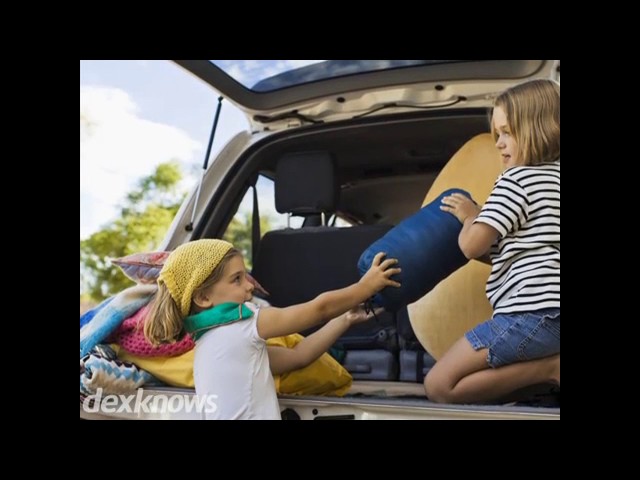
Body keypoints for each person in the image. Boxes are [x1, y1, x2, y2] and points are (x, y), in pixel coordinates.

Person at [144, 238, 400, 419]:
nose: (249, 286)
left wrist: (345, 319)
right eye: (237, 279)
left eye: (246, 276)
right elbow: (317, 309)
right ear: (202, 298)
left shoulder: (210, 342)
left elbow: (299, 356)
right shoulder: (242, 322)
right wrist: (366, 287)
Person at [426, 79, 560, 404]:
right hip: (553, 317)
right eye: (496, 134)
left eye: (507, 132)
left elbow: (472, 245)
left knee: (439, 385)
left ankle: (552, 370)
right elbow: (517, 250)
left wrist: (472, 214)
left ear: (539, 127)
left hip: (528, 316)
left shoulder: (515, 180)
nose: (498, 144)